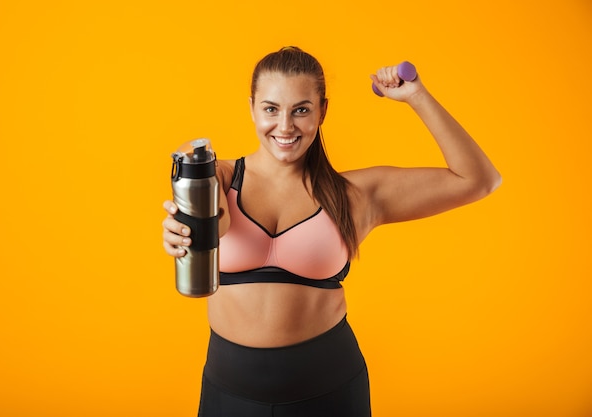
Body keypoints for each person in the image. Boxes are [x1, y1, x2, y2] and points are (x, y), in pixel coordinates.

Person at [162, 46, 501, 417]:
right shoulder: (221, 178)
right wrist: (188, 225)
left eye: (301, 110)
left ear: (323, 110)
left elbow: (479, 180)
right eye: (271, 109)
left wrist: (416, 96)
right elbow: (210, 208)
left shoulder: (355, 196)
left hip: (330, 392)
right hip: (229, 394)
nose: (286, 126)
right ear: (252, 108)